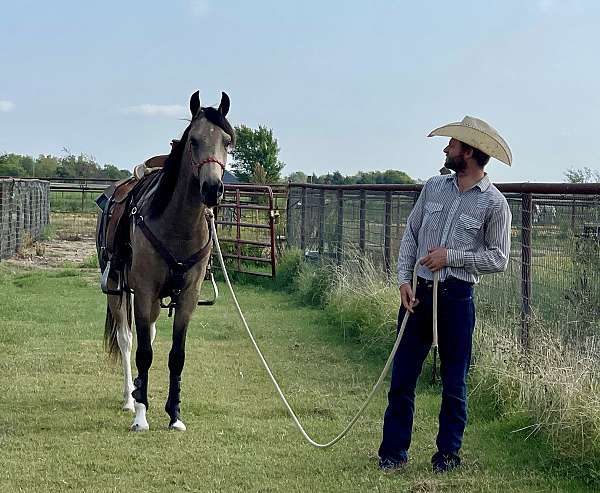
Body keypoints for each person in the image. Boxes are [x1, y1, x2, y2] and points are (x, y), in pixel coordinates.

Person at [378, 116, 512, 473]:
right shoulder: (433, 187)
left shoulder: (495, 205)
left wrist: (450, 257)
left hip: (456, 299)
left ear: (468, 152)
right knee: (402, 377)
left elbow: (498, 258)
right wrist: (403, 281)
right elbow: (410, 234)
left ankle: (447, 455)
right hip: (418, 295)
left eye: (452, 144)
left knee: (455, 381)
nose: (446, 148)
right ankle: (393, 452)